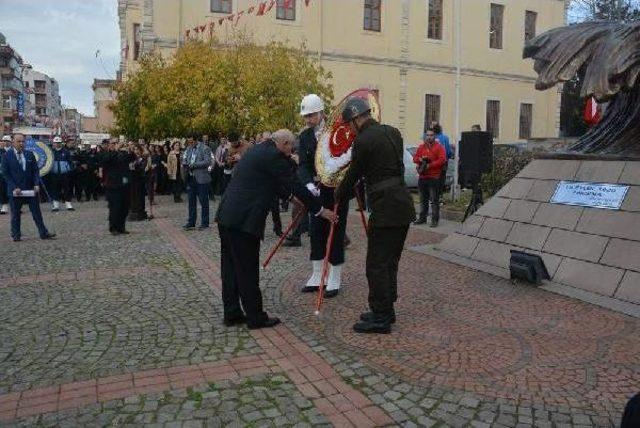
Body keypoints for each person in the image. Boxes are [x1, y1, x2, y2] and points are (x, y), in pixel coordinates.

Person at [215, 129, 335, 329]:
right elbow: (295, 184)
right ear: (285, 143)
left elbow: (275, 184)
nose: (291, 151)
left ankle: (232, 313)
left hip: (227, 216)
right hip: (244, 220)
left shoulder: (259, 150)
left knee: (230, 268)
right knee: (247, 269)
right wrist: (320, 210)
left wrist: (290, 197)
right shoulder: (274, 156)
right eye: (291, 147)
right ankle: (255, 317)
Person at [335, 98, 415, 334]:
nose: (350, 129)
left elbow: (354, 174)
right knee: (390, 262)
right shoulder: (393, 132)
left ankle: (380, 317)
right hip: (403, 204)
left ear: (357, 118)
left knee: (377, 264)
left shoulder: (364, 140)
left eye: (350, 124)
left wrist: (338, 194)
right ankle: (386, 310)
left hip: (386, 208)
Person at [297, 94, 349, 298]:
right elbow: (303, 165)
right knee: (316, 231)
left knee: (336, 232)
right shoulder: (305, 137)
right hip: (317, 191)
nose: (308, 120)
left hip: (336, 191)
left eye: (311, 115)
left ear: (321, 113)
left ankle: (335, 275)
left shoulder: (336, 132)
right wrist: (309, 184)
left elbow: (346, 159)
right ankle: (318, 274)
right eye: (306, 116)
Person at [1, 133, 56, 242]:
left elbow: (35, 171)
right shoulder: (6, 156)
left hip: (30, 189)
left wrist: (36, 184)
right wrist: (14, 187)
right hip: (15, 191)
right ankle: (16, 235)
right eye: (19, 141)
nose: (21, 144)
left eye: (23, 141)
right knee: (15, 214)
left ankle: (43, 233)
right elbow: (6, 174)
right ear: (13, 142)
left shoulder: (30, 154)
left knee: (37, 213)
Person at [100, 139, 135, 235]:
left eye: (117, 143)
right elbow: (107, 160)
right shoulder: (106, 154)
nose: (116, 145)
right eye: (113, 143)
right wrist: (115, 150)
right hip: (113, 185)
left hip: (125, 184)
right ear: (109, 145)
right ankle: (113, 228)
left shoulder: (122, 153)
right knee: (115, 207)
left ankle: (121, 227)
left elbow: (131, 158)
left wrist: (131, 150)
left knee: (125, 207)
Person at [413, 128, 446, 227]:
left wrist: (430, 165)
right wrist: (420, 159)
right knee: (423, 199)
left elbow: (442, 160)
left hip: (434, 177)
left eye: (431, 135)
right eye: (427, 135)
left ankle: (434, 220)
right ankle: (422, 218)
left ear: (434, 136)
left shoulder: (439, 147)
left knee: (434, 200)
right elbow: (414, 158)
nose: (429, 137)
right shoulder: (421, 147)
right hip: (422, 177)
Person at [182, 135, 213, 230]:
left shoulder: (205, 148)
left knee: (203, 201)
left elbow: (208, 161)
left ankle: (205, 223)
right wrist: (185, 162)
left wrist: (194, 165)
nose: (190, 144)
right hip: (191, 178)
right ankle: (191, 222)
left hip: (202, 178)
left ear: (196, 140)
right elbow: (185, 158)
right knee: (191, 201)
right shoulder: (188, 148)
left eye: (191, 142)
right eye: (189, 142)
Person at [49, 136, 75, 212]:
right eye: (56, 143)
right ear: (53, 143)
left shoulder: (66, 152)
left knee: (67, 189)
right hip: (54, 174)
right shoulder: (51, 152)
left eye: (59, 143)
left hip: (65, 174)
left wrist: (70, 169)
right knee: (55, 189)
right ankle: (55, 205)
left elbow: (70, 162)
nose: (57, 144)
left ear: (61, 143)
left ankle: (68, 204)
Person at [0, 135, 10, 214]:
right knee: (3, 189)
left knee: (13, 189)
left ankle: (17, 206)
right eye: (4, 141)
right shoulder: (0, 151)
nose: (5, 142)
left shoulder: (14, 151)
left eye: (7, 141)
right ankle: (4, 205)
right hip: (2, 173)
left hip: (13, 174)